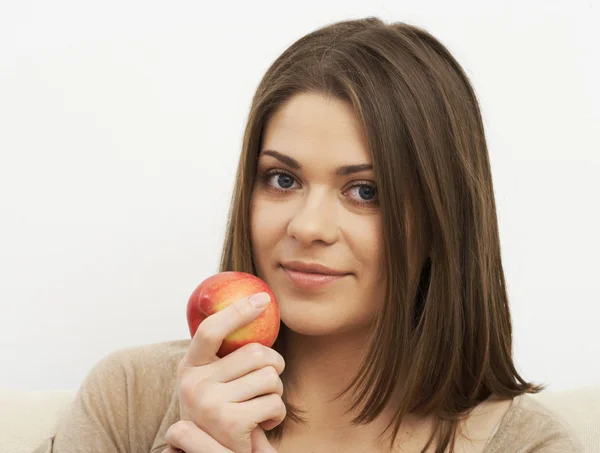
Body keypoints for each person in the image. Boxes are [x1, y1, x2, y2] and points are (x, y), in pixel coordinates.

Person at [32, 16, 584, 453]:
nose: (308, 226)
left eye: (366, 191)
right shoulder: (128, 397)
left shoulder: (532, 446)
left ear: (443, 221)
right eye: (282, 179)